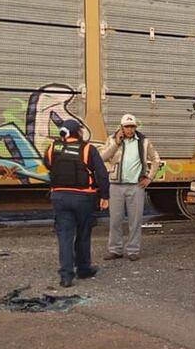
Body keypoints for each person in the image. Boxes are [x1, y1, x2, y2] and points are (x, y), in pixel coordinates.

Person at [43, 120, 110, 288]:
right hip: (83, 198)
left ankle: (66, 276)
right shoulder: (88, 149)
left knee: (65, 236)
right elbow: (101, 173)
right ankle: (83, 269)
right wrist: (105, 196)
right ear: (78, 132)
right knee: (83, 234)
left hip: (59, 197)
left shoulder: (53, 148)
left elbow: (48, 164)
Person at [100, 114, 162, 261]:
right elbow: (102, 157)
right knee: (115, 220)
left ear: (135, 127)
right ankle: (115, 249)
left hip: (136, 186)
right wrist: (116, 143)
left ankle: (133, 250)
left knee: (135, 220)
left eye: (132, 126)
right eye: (127, 126)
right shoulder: (111, 139)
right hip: (116, 185)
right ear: (121, 127)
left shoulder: (144, 142)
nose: (129, 129)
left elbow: (156, 159)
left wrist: (149, 177)